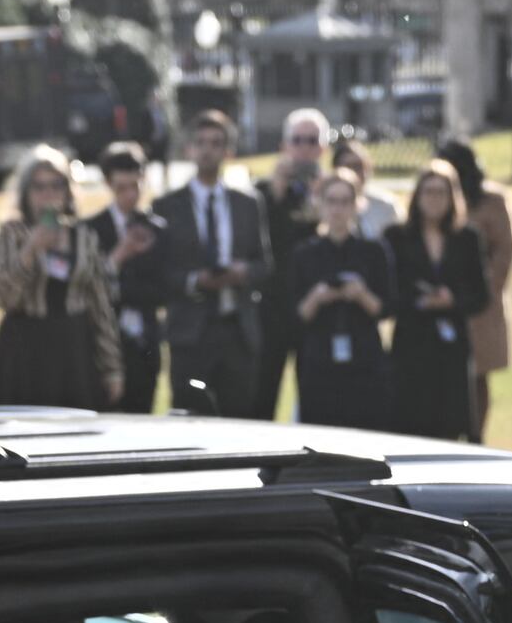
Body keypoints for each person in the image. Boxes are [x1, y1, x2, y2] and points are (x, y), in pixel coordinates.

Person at [0, 149, 118, 407]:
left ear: (68, 191)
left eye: (57, 185)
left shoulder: (84, 237)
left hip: (74, 349)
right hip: (23, 351)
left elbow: (100, 306)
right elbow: (3, 297)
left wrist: (112, 368)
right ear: (26, 193)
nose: (48, 194)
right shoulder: (12, 235)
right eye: (39, 187)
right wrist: (31, 250)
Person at [159, 112, 267, 417]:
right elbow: (162, 273)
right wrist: (196, 280)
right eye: (201, 143)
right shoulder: (168, 206)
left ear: (228, 151)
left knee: (239, 418)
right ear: (189, 149)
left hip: (236, 329)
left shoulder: (247, 203)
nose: (208, 150)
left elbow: (264, 264)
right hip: (191, 333)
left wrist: (243, 272)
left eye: (216, 143)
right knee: (189, 416)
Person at [281, 171, 396, 430]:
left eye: (345, 202)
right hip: (319, 359)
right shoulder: (305, 253)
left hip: (364, 358)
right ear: (319, 204)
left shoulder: (373, 251)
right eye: (331, 201)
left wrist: (361, 294)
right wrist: (318, 296)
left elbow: (387, 308)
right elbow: (295, 315)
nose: (338, 209)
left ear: (357, 205)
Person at [389, 160, 487, 437]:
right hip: (411, 342)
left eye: (441, 192)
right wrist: (419, 302)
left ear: (453, 197)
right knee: (409, 421)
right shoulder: (397, 237)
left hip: (451, 344)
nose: (434, 199)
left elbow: (480, 296)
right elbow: (390, 293)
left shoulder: (467, 238)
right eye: (428, 192)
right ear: (417, 196)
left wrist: (452, 300)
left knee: (450, 421)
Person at [250, 109, 335, 416]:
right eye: (297, 140)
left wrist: (319, 200)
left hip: (314, 307)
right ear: (285, 146)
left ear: (323, 148)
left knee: (315, 397)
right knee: (262, 393)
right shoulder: (263, 192)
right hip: (271, 307)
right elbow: (259, 241)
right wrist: (277, 192)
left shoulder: (332, 193)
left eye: (312, 141)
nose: (304, 148)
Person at [87, 142, 171, 413]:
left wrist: (125, 289)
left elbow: (164, 288)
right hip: (107, 343)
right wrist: (119, 255)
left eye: (136, 186)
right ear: (108, 184)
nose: (130, 195)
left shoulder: (157, 228)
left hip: (146, 341)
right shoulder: (92, 230)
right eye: (121, 187)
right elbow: (90, 286)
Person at [446, 134, 512, 438]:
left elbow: (504, 251)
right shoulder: (440, 198)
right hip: (443, 302)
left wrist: (483, 289)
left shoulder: (492, 200)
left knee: (477, 375)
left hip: (482, 304)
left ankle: (476, 436)